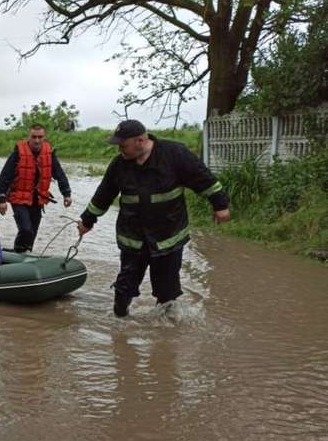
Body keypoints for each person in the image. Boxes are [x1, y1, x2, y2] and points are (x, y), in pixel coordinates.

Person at [77, 119, 231, 317]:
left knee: (167, 291)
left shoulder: (175, 154)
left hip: (168, 236)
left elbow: (203, 179)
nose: (119, 150)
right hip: (133, 238)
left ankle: (165, 334)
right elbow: (103, 195)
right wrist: (87, 220)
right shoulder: (119, 165)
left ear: (140, 141)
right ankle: (119, 324)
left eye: (123, 145)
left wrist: (220, 205)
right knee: (124, 287)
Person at [0, 124, 72, 253]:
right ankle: (19, 251)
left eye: (40, 137)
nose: (37, 140)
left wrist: (66, 193)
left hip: (38, 199)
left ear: (44, 137)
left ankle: (26, 252)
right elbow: (5, 176)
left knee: (33, 231)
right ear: (29, 137)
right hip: (18, 197)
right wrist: (1, 199)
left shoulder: (49, 153)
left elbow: (59, 174)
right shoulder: (18, 153)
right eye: (34, 137)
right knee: (26, 229)